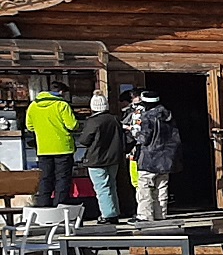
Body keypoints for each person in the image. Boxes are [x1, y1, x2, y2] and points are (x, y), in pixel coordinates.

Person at [73, 94, 126, 223]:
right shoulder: (114, 119)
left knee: (102, 187)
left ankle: (108, 215)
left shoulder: (93, 121)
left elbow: (84, 140)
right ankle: (114, 212)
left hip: (96, 159)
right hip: (113, 158)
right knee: (111, 185)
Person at [131, 93, 181, 222]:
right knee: (161, 188)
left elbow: (144, 138)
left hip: (149, 158)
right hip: (166, 159)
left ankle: (145, 215)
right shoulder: (168, 116)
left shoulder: (147, 117)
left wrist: (134, 132)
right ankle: (160, 214)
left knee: (145, 188)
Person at [25, 85, 77, 208]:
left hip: (43, 148)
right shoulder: (62, 105)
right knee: (62, 178)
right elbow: (72, 125)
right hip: (63, 147)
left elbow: (29, 126)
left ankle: (44, 205)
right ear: (61, 92)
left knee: (45, 178)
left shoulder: (33, 106)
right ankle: (60, 205)